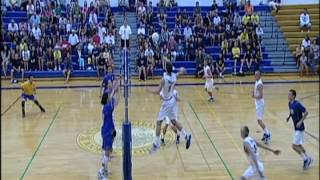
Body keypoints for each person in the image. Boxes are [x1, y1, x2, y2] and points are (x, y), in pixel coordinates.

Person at [150, 62, 191, 153]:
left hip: (167, 102)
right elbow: (180, 72)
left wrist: (149, 91)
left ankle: (156, 144)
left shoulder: (164, 79)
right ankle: (186, 135)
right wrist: (183, 70)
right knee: (173, 121)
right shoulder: (174, 76)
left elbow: (157, 91)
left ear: (166, 69)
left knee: (159, 122)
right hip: (172, 100)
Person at [98, 79, 120, 180]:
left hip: (107, 129)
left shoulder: (107, 106)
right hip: (107, 131)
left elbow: (112, 95)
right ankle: (101, 172)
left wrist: (115, 86)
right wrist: (116, 87)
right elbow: (112, 94)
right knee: (107, 152)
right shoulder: (108, 107)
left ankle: (105, 169)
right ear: (107, 99)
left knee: (109, 150)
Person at [286, 89, 313, 170]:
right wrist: (289, 117)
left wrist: (301, 121)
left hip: (300, 128)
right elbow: (291, 112)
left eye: (290, 94)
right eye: (288, 94)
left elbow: (306, 112)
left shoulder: (297, 104)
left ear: (293, 96)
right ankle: (309, 158)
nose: (288, 96)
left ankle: (305, 159)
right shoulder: (290, 103)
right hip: (296, 128)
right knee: (299, 145)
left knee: (294, 146)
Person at [251, 71, 271, 144]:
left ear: (260, 76)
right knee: (259, 120)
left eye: (256, 75)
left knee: (259, 121)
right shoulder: (257, 82)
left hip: (260, 104)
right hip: (258, 104)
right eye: (255, 74)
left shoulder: (259, 84)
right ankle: (266, 133)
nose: (255, 76)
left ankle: (268, 133)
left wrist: (253, 96)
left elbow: (260, 96)